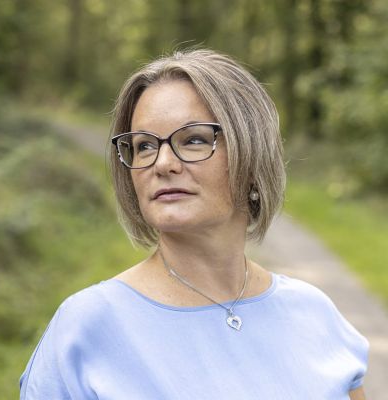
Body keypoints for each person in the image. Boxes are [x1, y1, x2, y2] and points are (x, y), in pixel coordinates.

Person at [20, 49, 369, 399]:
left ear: (251, 154)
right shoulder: (86, 329)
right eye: (144, 146)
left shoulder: (315, 315)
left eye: (194, 140)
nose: (163, 163)